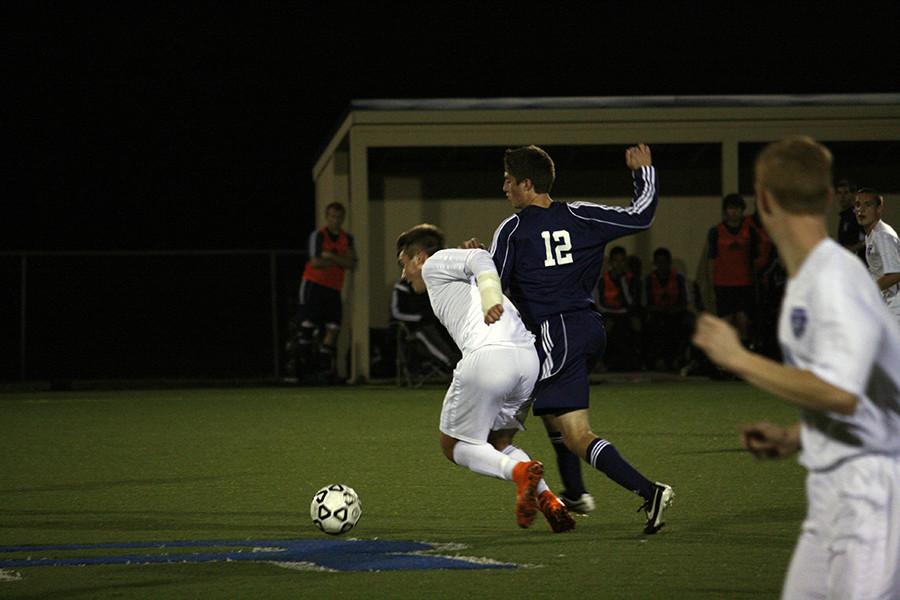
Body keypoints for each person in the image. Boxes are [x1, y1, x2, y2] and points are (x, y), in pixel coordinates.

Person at [692, 136, 900, 599]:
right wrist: (793, 438)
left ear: (762, 200)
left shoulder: (832, 279)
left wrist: (738, 358)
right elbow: (864, 400)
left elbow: (844, 393)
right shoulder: (819, 277)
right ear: (829, 198)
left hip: (871, 496)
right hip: (833, 492)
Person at [484, 143, 673, 534]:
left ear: (527, 183)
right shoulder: (580, 214)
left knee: (569, 433)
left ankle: (648, 491)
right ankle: (573, 492)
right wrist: (644, 173)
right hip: (588, 329)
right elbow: (641, 216)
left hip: (556, 332)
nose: (503, 187)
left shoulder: (513, 229)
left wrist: (476, 265)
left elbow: (493, 289)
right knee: (555, 417)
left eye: (508, 180)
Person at [397, 223, 575, 533]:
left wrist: (491, 295)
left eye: (403, 263)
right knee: (499, 440)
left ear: (419, 258)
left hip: (491, 357)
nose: (403, 274)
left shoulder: (435, 263)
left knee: (453, 445)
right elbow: (480, 263)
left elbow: (480, 259)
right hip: (526, 360)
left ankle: (519, 472)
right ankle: (549, 501)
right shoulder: (452, 272)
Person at [296, 202, 357, 382]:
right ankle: (303, 371)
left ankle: (322, 370)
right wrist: (341, 261)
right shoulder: (319, 235)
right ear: (327, 217)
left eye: (338, 217)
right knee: (308, 325)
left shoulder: (347, 238)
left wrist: (330, 257)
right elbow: (314, 262)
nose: (335, 220)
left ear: (343, 218)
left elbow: (352, 263)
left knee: (333, 328)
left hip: (334, 288)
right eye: (332, 216)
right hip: (314, 285)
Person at [706, 193, 759, 348]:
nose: (734, 212)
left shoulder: (750, 232)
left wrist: (755, 284)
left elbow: (754, 260)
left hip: (744, 283)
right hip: (723, 283)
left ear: (742, 210)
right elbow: (711, 259)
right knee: (726, 322)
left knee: (743, 320)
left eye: (737, 208)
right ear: (725, 211)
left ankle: (743, 352)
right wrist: (711, 284)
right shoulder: (716, 232)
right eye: (730, 208)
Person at [390, 276, 460, 376]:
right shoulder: (401, 287)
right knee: (423, 334)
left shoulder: (427, 286)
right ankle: (450, 363)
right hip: (408, 329)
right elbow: (396, 313)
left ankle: (458, 360)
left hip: (428, 324)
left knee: (445, 328)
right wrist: (419, 318)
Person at [855, 187, 900, 326]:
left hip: (895, 308)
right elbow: (878, 268)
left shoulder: (882, 235)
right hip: (886, 305)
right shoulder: (873, 233)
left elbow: (895, 274)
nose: (861, 210)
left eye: (868, 205)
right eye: (857, 205)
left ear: (879, 209)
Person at [643, 247, 692, 371]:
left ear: (669, 263)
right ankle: (658, 361)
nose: (662, 265)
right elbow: (645, 302)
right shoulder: (649, 279)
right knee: (655, 327)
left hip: (675, 314)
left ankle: (676, 359)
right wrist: (657, 309)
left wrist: (674, 309)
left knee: (681, 326)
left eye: (664, 262)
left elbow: (685, 300)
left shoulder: (679, 278)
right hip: (656, 315)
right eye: (659, 262)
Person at [596, 245, 643, 371]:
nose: (619, 264)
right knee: (608, 325)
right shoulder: (602, 280)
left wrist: (623, 283)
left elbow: (631, 303)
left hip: (625, 314)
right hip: (609, 314)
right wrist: (615, 312)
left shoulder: (631, 279)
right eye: (616, 261)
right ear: (611, 262)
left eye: (622, 261)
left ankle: (633, 361)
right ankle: (605, 362)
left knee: (634, 324)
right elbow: (599, 304)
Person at [835, 178, 866, 261]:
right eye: (839, 193)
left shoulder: (858, 215)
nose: (842, 197)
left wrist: (849, 250)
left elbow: (869, 240)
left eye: (845, 193)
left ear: (854, 195)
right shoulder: (844, 217)